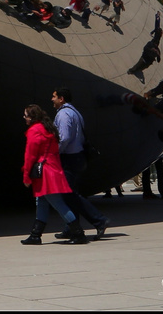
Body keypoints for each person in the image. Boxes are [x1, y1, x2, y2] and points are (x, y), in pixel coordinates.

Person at [19, 105, 87, 245]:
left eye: (25, 115)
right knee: (42, 202)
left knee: (57, 204)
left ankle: (78, 233)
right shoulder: (48, 129)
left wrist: (26, 176)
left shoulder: (34, 131)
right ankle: (35, 234)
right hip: (52, 169)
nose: (24, 117)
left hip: (44, 172)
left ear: (32, 117)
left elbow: (30, 155)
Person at [50, 88, 107, 238]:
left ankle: (99, 220)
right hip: (78, 157)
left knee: (69, 194)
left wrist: (54, 153)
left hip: (70, 158)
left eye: (54, 96)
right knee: (70, 193)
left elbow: (64, 138)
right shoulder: (75, 112)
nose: (52, 99)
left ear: (61, 99)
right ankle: (72, 227)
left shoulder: (63, 114)